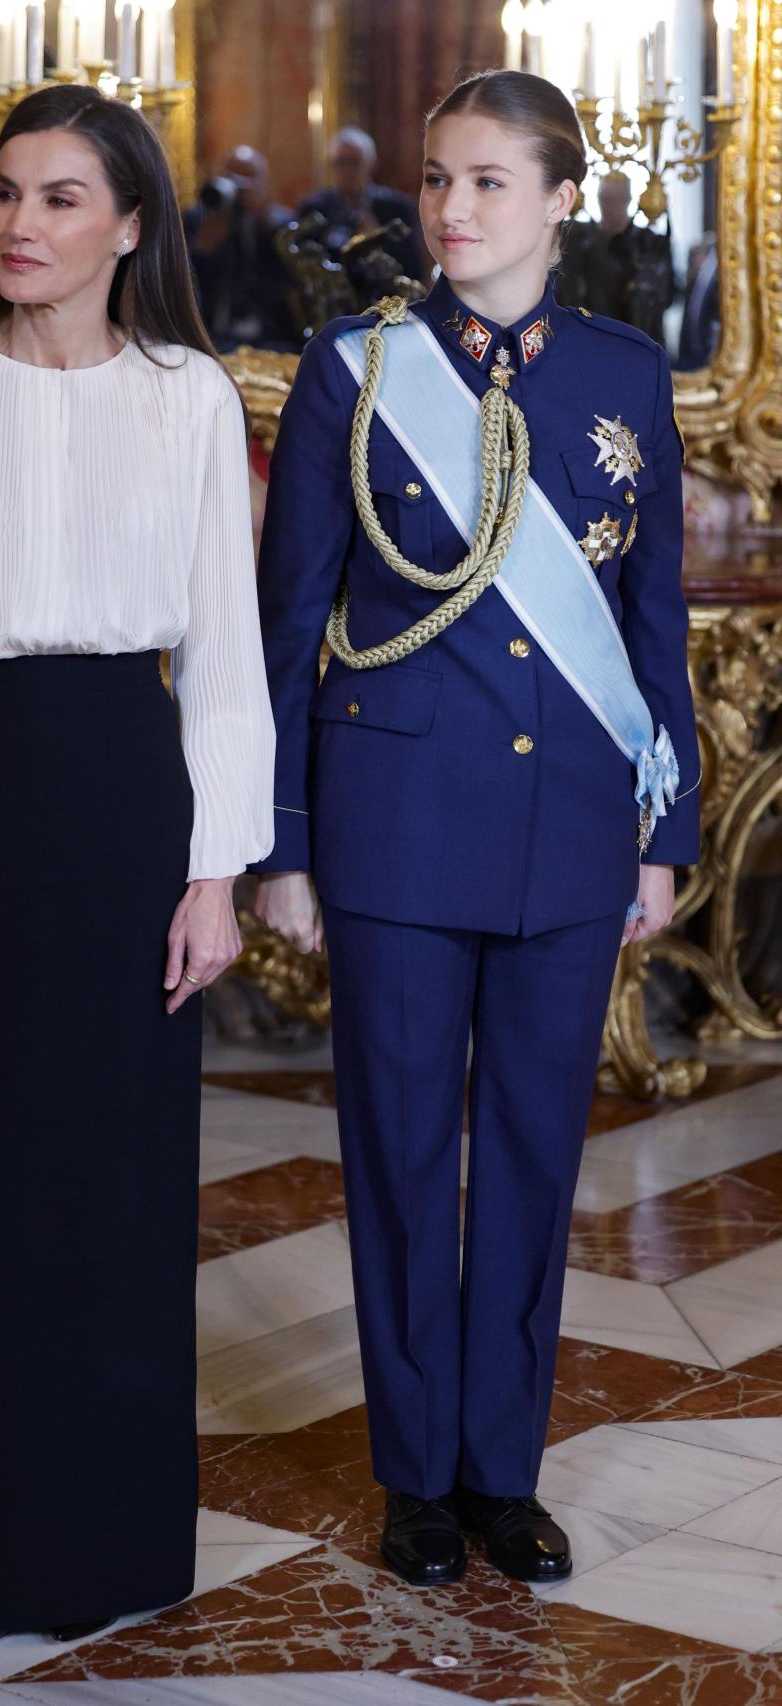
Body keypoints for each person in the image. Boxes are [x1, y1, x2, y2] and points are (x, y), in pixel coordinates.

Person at [0, 84, 274, 1648]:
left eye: (61, 197)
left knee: (119, 1178)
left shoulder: (190, 400)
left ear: (131, 223)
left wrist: (217, 869)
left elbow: (225, 657)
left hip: (126, 803)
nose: (20, 223)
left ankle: (113, 1541)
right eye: (7, 193)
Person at [252, 70, 700, 1589]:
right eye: (438, 179)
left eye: (489, 181)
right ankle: (415, 1473)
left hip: (572, 821)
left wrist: (666, 825)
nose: (450, 207)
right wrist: (287, 840)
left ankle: (502, 1470)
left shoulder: (628, 375)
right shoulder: (354, 368)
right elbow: (288, 620)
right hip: (391, 822)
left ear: (563, 200)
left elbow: (653, 620)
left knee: (530, 1148)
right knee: (397, 1148)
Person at [184, 146, 297, 350]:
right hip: (213, 333)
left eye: (249, 178)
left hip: (271, 336)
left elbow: (290, 277)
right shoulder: (198, 220)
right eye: (233, 177)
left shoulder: (282, 223)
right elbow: (185, 280)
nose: (240, 186)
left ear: (265, 182)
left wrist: (266, 224)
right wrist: (204, 245)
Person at [557, 171, 675, 345]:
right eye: (604, 199)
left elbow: (666, 295)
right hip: (589, 337)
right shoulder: (580, 239)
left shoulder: (648, 243)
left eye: (616, 199)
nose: (609, 206)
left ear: (627, 200)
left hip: (636, 339)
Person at [297, 126, 425, 285]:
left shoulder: (398, 208)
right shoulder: (314, 209)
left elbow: (413, 267)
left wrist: (377, 238)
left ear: (371, 163)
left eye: (354, 162)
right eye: (340, 163)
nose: (347, 170)